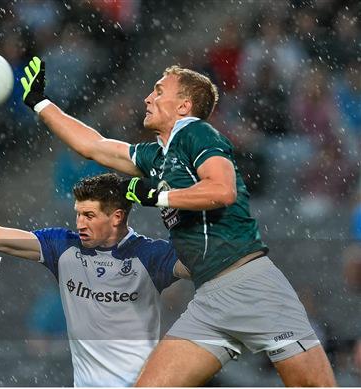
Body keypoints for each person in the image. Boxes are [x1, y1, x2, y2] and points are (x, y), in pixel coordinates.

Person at [19, 56, 337, 386]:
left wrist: (159, 196)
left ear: (184, 106)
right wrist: (41, 104)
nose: (147, 98)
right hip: (210, 297)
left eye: (158, 92)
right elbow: (94, 146)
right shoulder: (157, 157)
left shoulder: (196, 134)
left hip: (251, 285)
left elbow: (222, 189)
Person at [0, 173, 186, 387]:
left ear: (117, 217)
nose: (79, 224)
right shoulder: (63, 247)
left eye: (89, 215)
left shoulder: (149, 255)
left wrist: (174, 213)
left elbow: (205, 264)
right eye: (78, 214)